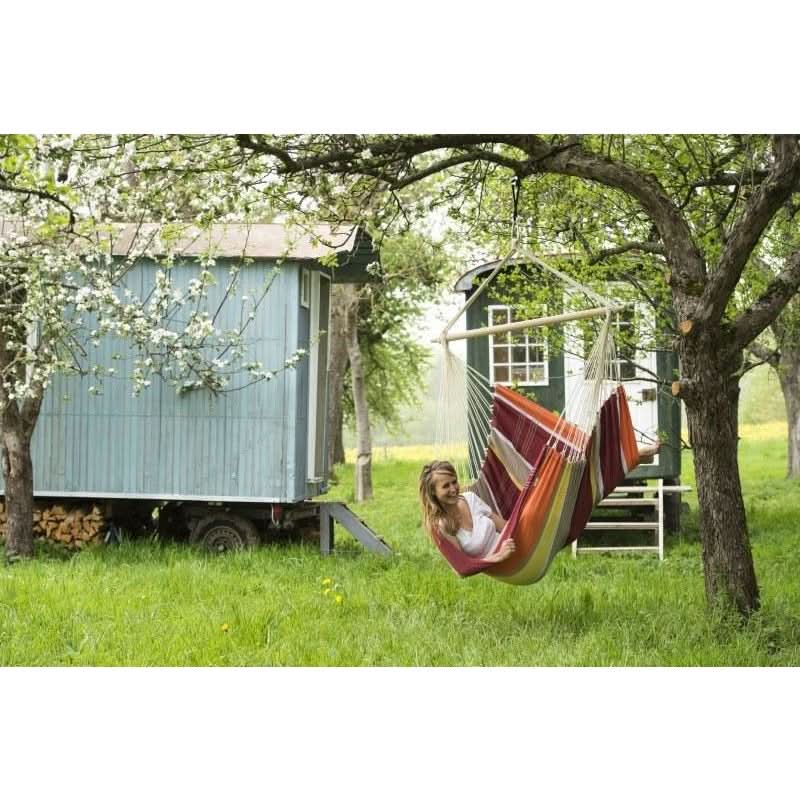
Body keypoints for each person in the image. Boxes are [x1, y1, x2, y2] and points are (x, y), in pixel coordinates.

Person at [418, 460, 516, 563]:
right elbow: (463, 565)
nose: (453, 489)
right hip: (499, 564)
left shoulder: (470, 498)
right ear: (433, 491)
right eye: (446, 486)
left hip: (512, 546)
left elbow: (505, 527)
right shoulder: (442, 525)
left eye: (454, 482)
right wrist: (498, 556)